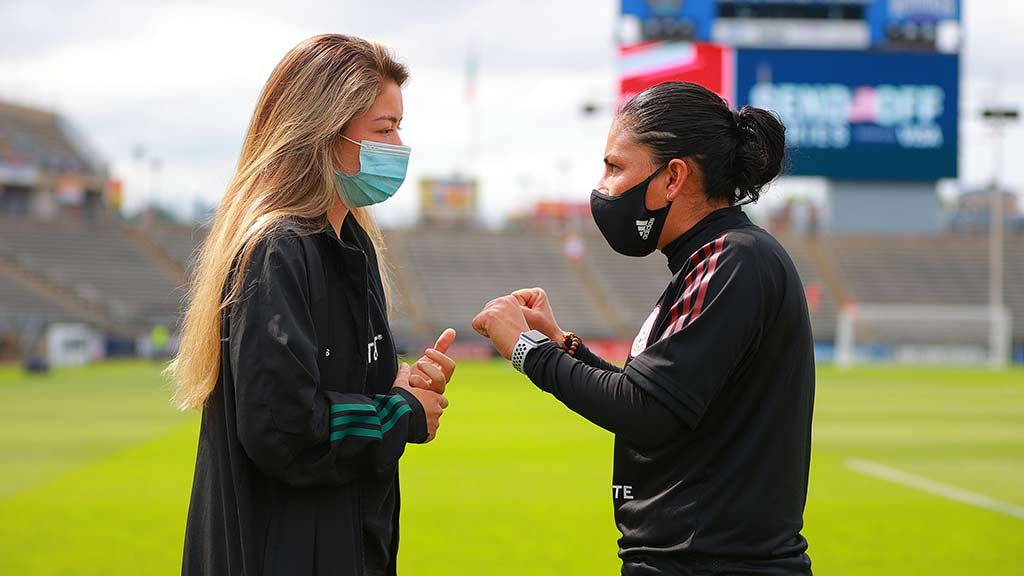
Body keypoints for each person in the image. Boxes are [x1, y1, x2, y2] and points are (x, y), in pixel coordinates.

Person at [473, 81, 815, 575]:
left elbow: (647, 412)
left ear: (673, 177)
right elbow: (657, 395)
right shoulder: (710, 260)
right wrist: (562, 345)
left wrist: (527, 351)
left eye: (615, 167)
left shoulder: (734, 260)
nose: (603, 186)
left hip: (712, 563)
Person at [166, 34, 457, 576]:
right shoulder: (278, 250)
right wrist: (403, 412)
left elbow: (341, 391)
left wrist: (400, 385)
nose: (399, 145)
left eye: (400, 126)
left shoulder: (353, 244)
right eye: (384, 128)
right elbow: (285, 428)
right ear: (324, 133)